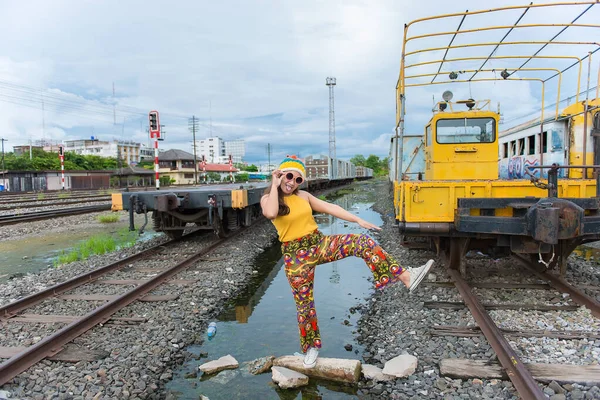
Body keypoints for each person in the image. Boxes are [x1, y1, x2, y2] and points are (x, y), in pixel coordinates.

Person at [260, 155, 434, 369]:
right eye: (289, 176)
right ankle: (311, 348)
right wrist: (276, 184)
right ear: (279, 174)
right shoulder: (269, 198)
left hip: (317, 243)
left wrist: (358, 219)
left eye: (297, 180)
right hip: (295, 257)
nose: (292, 182)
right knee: (305, 305)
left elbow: (331, 208)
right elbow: (270, 213)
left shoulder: (303, 196)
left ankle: (406, 277)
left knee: (360, 242)